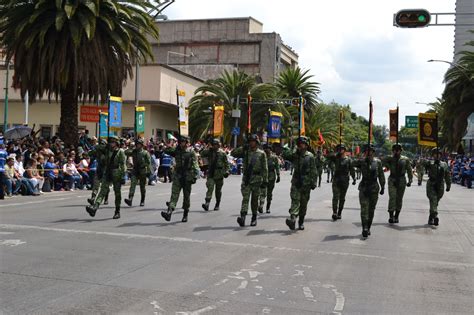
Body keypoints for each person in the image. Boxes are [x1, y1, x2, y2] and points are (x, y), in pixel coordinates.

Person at [231, 134, 268, 227]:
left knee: (254, 200)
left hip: (257, 179)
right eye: (250, 141)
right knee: (245, 198)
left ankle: (254, 218)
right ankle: (242, 217)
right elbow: (233, 153)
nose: (251, 143)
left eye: (253, 141)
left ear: (257, 142)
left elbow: (265, 168)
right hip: (247, 179)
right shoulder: (246, 152)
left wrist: (265, 181)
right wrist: (243, 147)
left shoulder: (261, 154)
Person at [86, 136, 126, 219]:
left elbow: (123, 165)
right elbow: (96, 148)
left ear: (117, 143)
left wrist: (123, 176)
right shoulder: (106, 150)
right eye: (110, 142)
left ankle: (117, 211)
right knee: (102, 191)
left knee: (117, 193)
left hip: (116, 173)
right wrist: (103, 145)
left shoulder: (120, 151)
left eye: (113, 142)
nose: (112, 143)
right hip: (107, 172)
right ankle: (95, 208)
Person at [161, 136, 200, 223]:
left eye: (184, 142)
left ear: (187, 143)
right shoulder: (177, 150)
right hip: (178, 176)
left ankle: (185, 214)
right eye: (181, 142)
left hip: (188, 177)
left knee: (186, 197)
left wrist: (195, 177)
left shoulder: (191, 152)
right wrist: (172, 144)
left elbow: (195, 166)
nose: (182, 143)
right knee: (174, 194)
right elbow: (166, 150)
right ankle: (169, 213)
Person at [282, 136, 317, 230]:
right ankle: (292, 219)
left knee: (303, 204)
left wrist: (314, 182)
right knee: (295, 200)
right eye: (299, 144)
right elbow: (285, 155)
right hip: (296, 181)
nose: (301, 146)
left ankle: (301, 222)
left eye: (303, 144)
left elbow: (314, 170)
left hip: (306, 183)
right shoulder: (295, 155)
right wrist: (293, 147)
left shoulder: (310, 156)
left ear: (306, 145)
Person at [353, 144, 385, 238]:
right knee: (364, 209)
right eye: (367, 151)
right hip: (364, 187)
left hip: (374, 188)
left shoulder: (378, 162)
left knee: (371, 210)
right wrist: (362, 159)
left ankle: (369, 227)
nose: (369, 153)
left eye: (370, 151)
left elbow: (381, 175)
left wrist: (383, 186)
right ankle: (364, 228)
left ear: (373, 152)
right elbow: (351, 163)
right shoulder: (362, 161)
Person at [382, 144, 413, 224]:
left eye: (398, 150)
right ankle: (391, 216)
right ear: (393, 151)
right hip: (392, 179)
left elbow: (409, 170)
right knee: (392, 197)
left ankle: (397, 216)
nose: (397, 151)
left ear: (401, 150)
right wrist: (391, 158)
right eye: (395, 150)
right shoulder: (390, 158)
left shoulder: (405, 159)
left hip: (402, 180)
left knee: (399, 198)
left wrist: (410, 180)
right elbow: (382, 161)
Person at [326, 144, 356, 221]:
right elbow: (328, 156)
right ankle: (334, 212)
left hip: (345, 180)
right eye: (339, 149)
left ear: (345, 150)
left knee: (342, 198)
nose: (340, 150)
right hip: (336, 179)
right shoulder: (336, 158)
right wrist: (335, 153)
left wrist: (354, 178)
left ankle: (339, 212)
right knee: (335, 197)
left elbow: (351, 169)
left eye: (342, 149)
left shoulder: (348, 160)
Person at [422, 147, 451, 226]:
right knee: (433, 199)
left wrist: (448, 185)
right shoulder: (430, 163)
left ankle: (431, 217)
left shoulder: (444, 164)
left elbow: (448, 175)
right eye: (435, 154)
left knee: (435, 202)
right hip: (431, 184)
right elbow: (422, 163)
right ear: (433, 155)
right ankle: (435, 216)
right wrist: (425, 158)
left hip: (440, 185)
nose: (437, 156)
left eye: (438, 154)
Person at [201, 139, 230, 211]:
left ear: (219, 145)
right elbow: (201, 153)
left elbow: (227, 164)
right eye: (213, 145)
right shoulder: (209, 152)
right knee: (210, 188)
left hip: (219, 173)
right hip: (211, 172)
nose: (215, 146)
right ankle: (207, 203)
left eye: (216, 145)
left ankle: (217, 204)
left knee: (218, 190)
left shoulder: (222, 153)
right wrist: (207, 147)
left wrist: (227, 171)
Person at [124, 138, 152, 207]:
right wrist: (130, 147)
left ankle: (142, 200)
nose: (138, 145)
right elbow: (126, 152)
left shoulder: (145, 153)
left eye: (139, 144)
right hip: (135, 170)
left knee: (142, 187)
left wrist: (149, 172)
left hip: (142, 171)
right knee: (132, 185)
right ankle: (130, 199)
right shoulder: (134, 151)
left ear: (142, 145)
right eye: (137, 144)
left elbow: (149, 163)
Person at [259, 143, 280, 214]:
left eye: (268, 149)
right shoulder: (261, 157)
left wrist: (278, 175)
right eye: (265, 149)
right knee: (262, 192)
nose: (266, 150)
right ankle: (261, 205)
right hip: (263, 177)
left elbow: (277, 167)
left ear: (270, 150)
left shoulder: (274, 158)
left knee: (269, 193)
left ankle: (268, 207)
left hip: (271, 177)